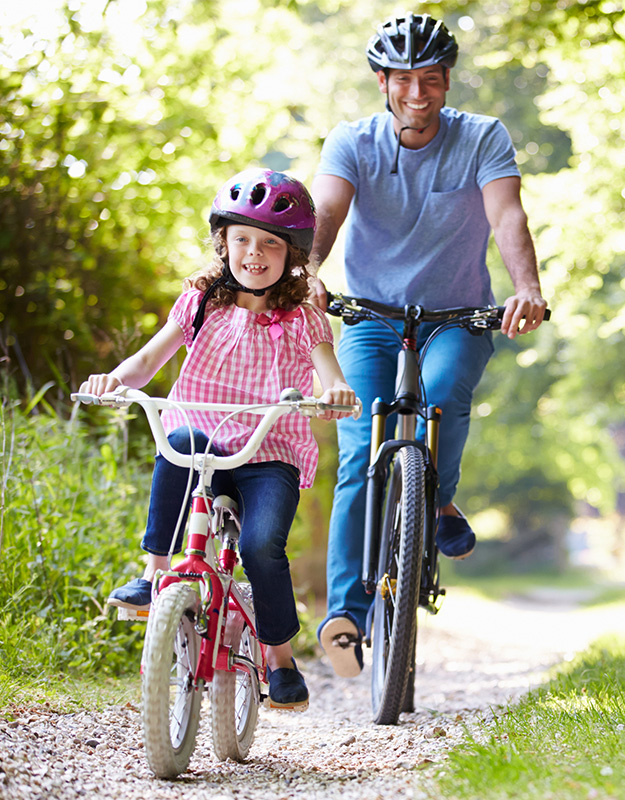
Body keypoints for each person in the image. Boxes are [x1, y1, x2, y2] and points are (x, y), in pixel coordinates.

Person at [309, 12, 547, 678]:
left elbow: (507, 215)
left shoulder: (482, 138)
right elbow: (327, 211)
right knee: (361, 446)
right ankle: (345, 617)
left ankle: (435, 497)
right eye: (405, 81)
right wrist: (309, 272)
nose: (419, 94)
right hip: (370, 316)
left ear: (447, 84)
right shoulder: (352, 142)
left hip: (458, 315)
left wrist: (525, 287)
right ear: (382, 82)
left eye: (433, 81)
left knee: (441, 398)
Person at [80, 168, 358, 710]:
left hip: (268, 454)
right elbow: (148, 360)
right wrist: (114, 380)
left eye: (270, 243)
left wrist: (338, 392)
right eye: (242, 240)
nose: (254, 253)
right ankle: (155, 572)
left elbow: (331, 373)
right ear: (224, 243)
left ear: (292, 254)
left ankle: (279, 658)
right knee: (176, 438)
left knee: (260, 547)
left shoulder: (303, 319)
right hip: (204, 444)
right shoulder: (200, 302)